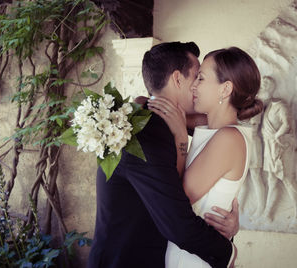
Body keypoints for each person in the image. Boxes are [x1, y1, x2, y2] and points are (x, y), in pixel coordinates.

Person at [88, 42, 239, 268]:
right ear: (177, 79)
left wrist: (228, 224)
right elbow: (177, 224)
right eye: (197, 77)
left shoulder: (149, 120)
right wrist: (228, 252)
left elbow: (223, 116)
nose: (199, 86)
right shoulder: (144, 134)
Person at [148, 47, 263, 267]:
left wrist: (181, 137)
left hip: (194, 260)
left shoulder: (229, 138)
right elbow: (154, 104)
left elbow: (179, 198)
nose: (193, 85)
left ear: (225, 89)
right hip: (182, 253)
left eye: (201, 78)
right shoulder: (209, 125)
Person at [259, 76, 297, 227]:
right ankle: (267, 214)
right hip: (271, 149)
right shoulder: (267, 106)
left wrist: (277, 135)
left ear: (272, 88)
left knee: (288, 180)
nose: (262, 88)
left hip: (282, 149)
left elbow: (286, 124)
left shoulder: (281, 106)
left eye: (265, 85)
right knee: (272, 181)